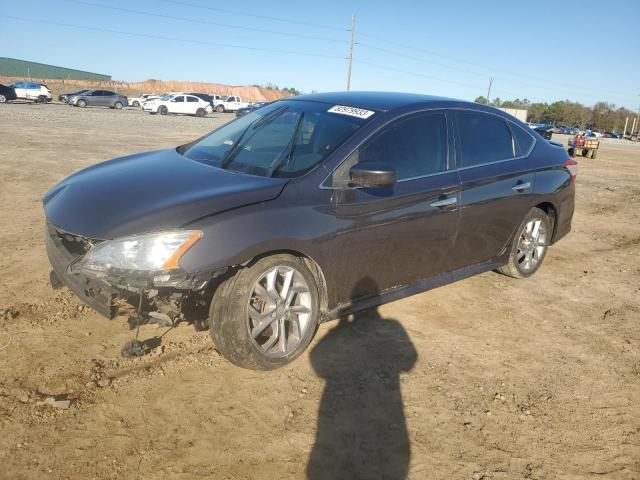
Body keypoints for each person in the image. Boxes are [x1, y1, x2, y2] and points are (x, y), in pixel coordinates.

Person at [307, 278, 418, 480]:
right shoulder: (393, 326)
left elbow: (316, 360)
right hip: (387, 419)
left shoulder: (339, 335)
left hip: (337, 414)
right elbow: (410, 362)